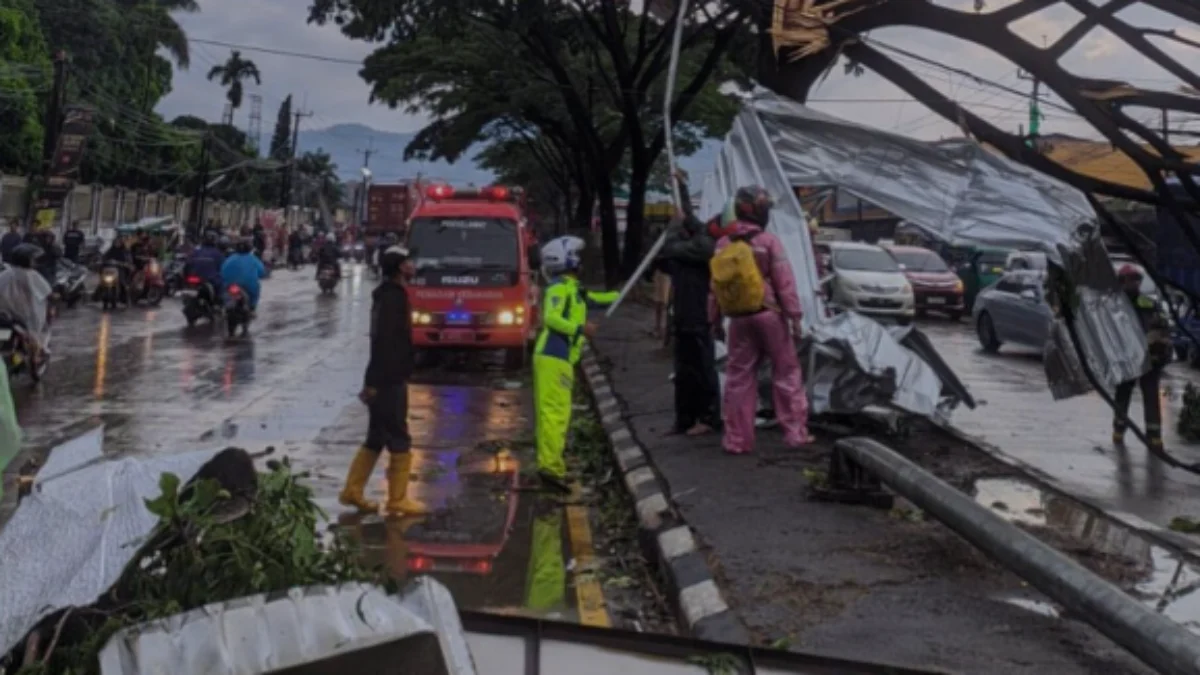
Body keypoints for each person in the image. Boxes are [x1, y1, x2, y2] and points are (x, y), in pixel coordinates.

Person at [709, 185, 813, 455]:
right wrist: (795, 317)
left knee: (739, 377)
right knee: (787, 372)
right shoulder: (769, 242)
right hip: (769, 315)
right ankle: (795, 434)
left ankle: (737, 440)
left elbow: (716, 287)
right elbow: (784, 282)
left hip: (739, 318)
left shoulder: (723, 244)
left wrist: (714, 319)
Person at [338, 245, 428, 515]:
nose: (414, 266)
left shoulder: (387, 295)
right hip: (389, 378)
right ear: (401, 267)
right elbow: (387, 342)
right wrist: (379, 380)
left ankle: (352, 491)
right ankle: (398, 499)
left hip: (381, 376)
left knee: (376, 436)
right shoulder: (393, 299)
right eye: (410, 262)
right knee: (399, 435)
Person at [533, 236, 619, 493]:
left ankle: (550, 464)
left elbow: (597, 299)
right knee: (554, 413)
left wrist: (620, 294)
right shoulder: (559, 289)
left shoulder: (572, 288)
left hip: (557, 359)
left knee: (554, 412)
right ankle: (550, 467)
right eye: (577, 258)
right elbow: (551, 318)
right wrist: (581, 328)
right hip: (553, 357)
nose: (581, 262)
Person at [658, 171, 720, 436]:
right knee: (682, 373)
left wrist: (674, 231)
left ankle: (708, 418)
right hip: (682, 316)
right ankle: (684, 419)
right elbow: (665, 255)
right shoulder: (688, 246)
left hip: (698, 316)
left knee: (702, 370)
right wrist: (681, 187)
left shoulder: (705, 246)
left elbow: (672, 247)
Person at [1113, 264, 1172, 451]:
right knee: (1123, 395)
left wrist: (1159, 351)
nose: (1133, 283)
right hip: (1127, 359)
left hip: (1148, 358)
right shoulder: (1114, 305)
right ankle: (1118, 430)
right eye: (1129, 280)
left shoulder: (1146, 303)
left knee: (1150, 397)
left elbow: (1162, 328)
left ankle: (1154, 437)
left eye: (1135, 280)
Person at [0, 244, 52, 360]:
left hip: (4, 314)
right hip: (24, 316)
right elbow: (47, 291)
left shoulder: (5, 273)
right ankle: (37, 352)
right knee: (38, 330)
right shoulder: (32, 275)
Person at [220, 239, 267, 312]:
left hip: (230, 284)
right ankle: (252, 307)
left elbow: (222, 271)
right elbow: (261, 271)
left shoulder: (230, 258)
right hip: (248, 285)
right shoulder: (253, 258)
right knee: (255, 291)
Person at [184, 231, 225, 300]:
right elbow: (222, 267)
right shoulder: (217, 253)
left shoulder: (196, 251)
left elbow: (188, 264)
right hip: (210, 279)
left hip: (195, 277)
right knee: (220, 289)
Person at [102, 235, 135, 303]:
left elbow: (127, 261)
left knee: (122, 282)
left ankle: (125, 298)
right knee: (102, 281)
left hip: (119, 269)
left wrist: (125, 264)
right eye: (115, 242)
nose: (117, 243)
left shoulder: (123, 251)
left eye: (118, 242)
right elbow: (104, 258)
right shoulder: (110, 250)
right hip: (109, 270)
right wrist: (104, 261)